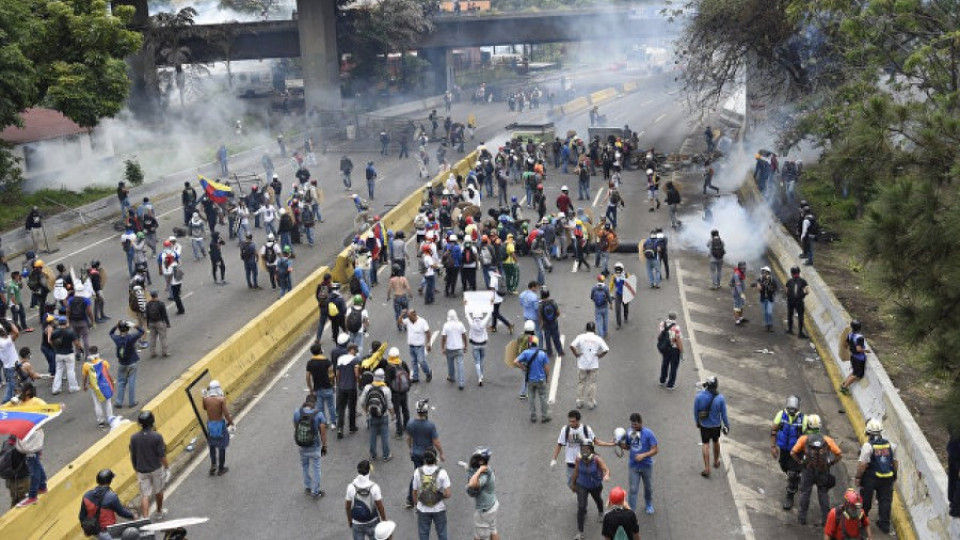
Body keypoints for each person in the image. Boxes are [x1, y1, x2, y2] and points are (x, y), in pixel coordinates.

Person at [791, 414, 843, 526]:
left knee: (805, 493)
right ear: (819, 426)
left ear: (808, 426)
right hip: (823, 470)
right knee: (823, 494)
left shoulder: (804, 439)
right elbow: (839, 454)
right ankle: (826, 520)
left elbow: (793, 452)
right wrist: (831, 463)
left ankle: (802, 518)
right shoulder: (827, 439)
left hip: (808, 470)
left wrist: (800, 462)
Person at [856, 419, 897, 533]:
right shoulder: (891, 445)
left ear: (868, 432)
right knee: (885, 501)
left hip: (871, 477)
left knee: (866, 499)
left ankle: (862, 522)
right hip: (887, 477)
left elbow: (862, 464)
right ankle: (884, 526)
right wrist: (895, 475)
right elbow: (895, 462)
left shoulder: (868, 446)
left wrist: (858, 477)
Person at [129, 411, 169, 520]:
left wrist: (136, 469)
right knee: (158, 491)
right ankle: (159, 511)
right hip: (156, 468)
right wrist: (167, 467)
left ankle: (145, 518)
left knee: (145, 495)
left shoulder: (134, 438)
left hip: (141, 470)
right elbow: (162, 455)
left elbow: (133, 456)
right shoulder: (157, 436)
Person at [405, 398, 446, 508]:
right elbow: (436, 442)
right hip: (428, 455)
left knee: (416, 475)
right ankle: (431, 497)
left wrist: (410, 449)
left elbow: (408, 438)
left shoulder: (410, 423)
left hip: (416, 454)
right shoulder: (430, 425)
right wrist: (441, 453)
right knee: (432, 475)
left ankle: (410, 499)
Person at [770, 395, 807, 509]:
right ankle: (796, 478)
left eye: (794, 409)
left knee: (792, 474)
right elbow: (774, 430)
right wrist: (773, 446)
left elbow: (808, 437)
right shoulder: (781, 415)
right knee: (784, 467)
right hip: (784, 450)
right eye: (790, 408)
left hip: (796, 451)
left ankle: (789, 496)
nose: (792, 411)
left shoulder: (804, 419)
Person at [569, 439, 610, 540]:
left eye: (586, 449)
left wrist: (606, 475)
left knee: (598, 499)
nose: (584, 451)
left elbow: (606, 469)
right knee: (581, 506)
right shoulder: (578, 459)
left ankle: (601, 512)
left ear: (591, 450)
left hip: (595, 485)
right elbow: (576, 472)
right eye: (582, 449)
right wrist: (573, 484)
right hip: (581, 484)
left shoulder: (597, 459)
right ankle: (580, 532)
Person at [78, 469, 135, 540]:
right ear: (109, 481)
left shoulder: (87, 495)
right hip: (107, 531)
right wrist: (132, 516)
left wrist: (86, 529)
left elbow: (81, 516)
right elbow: (121, 512)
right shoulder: (111, 497)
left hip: (94, 530)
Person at [412, 447, 452, 540]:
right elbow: (448, 494)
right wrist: (438, 496)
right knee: (442, 534)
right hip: (439, 508)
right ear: (435, 459)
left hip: (423, 508)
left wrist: (416, 505)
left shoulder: (418, 472)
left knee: (423, 535)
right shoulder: (442, 472)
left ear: (424, 459)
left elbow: (414, 492)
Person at [694, 376, 729, 478]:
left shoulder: (699, 396)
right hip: (716, 425)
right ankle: (716, 461)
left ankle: (707, 468)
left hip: (704, 425)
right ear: (716, 386)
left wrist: (697, 422)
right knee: (716, 441)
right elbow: (724, 415)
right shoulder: (720, 398)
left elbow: (696, 412)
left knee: (705, 444)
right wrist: (727, 425)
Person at [293, 394, 328, 497]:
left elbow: (296, 426)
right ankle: (316, 491)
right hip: (314, 445)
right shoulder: (319, 414)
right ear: (315, 403)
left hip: (302, 445)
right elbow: (323, 432)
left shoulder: (297, 412)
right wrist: (324, 446)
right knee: (316, 468)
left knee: (305, 466)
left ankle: (307, 487)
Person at [551, 410, 596, 486]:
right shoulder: (565, 430)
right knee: (571, 484)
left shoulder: (586, 429)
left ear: (578, 420)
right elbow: (559, 444)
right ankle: (580, 494)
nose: (571, 423)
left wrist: (611, 444)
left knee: (585, 484)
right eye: (569, 421)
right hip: (571, 464)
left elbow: (596, 441)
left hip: (583, 462)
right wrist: (554, 459)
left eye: (573, 421)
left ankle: (582, 494)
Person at [569, 323, 609, 410]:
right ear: (594, 329)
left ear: (585, 329)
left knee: (581, 383)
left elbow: (572, 345)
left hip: (582, 364)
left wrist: (576, 354)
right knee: (592, 384)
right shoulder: (598, 339)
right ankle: (591, 403)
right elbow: (606, 349)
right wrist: (599, 356)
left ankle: (579, 402)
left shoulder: (580, 337)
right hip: (593, 364)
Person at [346, 459, 387, 539]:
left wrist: (350, 520)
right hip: (372, 521)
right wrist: (384, 521)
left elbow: (347, 507)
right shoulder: (374, 487)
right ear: (369, 471)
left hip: (357, 523)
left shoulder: (351, 487)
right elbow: (380, 507)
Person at [514, 338, 551, 423]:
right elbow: (547, 368)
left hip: (530, 380)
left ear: (529, 345)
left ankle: (533, 416)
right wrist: (547, 377)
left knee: (531, 397)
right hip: (541, 379)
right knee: (543, 398)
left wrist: (523, 368)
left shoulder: (526, 353)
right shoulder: (542, 354)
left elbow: (515, 361)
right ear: (537, 344)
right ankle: (544, 416)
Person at [361, 368, 394, 462]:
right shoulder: (386, 389)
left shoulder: (368, 388)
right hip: (383, 415)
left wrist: (367, 411)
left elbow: (362, 402)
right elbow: (390, 405)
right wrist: (393, 416)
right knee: (384, 435)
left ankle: (373, 454)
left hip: (371, 416)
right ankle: (386, 455)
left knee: (372, 435)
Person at [466, 447, 499, 540]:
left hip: (485, 510)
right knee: (493, 529)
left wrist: (479, 471)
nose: (473, 461)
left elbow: (472, 484)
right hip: (492, 505)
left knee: (481, 537)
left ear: (481, 461)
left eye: (475, 459)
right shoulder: (487, 468)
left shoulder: (483, 474)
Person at [202, 380, 234, 476]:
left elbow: (204, 408)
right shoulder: (221, 400)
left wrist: (203, 396)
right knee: (221, 447)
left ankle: (213, 464)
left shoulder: (205, 399)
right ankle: (221, 469)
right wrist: (231, 422)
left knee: (212, 445)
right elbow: (226, 413)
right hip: (220, 425)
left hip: (210, 425)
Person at [110, 321, 144, 409]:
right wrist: (135, 326)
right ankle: (132, 401)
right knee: (131, 382)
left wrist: (116, 326)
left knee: (121, 382)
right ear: (128, 329)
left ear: (119, 329)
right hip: (132, 362)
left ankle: (118, 402)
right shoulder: (130, 338)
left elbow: (110, 333)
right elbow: (142, 332)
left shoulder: (117, 339)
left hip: (122, 363)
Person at [81, 347, 115, 429]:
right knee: (107, 402)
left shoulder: (86, 365)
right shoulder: (104, 362)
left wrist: (84, 385)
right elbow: (107, 374)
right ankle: (110, 418)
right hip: (104, 385)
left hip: (94, 387)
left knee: (97, 404)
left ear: (89, 353)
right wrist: (112, 382)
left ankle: (101, 421)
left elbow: (85, 377)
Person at [306, 342, 336, 429]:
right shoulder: (326, 361)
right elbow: (331, 375)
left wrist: (310, 388)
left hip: (317, 388)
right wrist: (333, 384)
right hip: (327, 387)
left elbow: (307, 377)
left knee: (320, 407)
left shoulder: (310, 363)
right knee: (331, 406)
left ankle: (323, 422)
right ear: (320, 351)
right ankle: (333, 422)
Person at [49, 316, 80, 395]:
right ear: (66, 323)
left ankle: (55, 389)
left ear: (59, 323)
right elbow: (76, 342)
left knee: (58, 371)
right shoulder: (70, 332)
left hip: (59, 354)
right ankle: (73, 387)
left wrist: (55, 348)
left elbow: (51, 342)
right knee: (70, 371)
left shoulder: (54, 332)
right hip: (69, 353)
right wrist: (80, 348)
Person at [399, 310, 433, 383]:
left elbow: (428, 333)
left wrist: (428, 344)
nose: (408, 318)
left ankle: (428, 373)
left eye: (409, 316)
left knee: (421, 361)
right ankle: (415, 377)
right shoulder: (408, 321)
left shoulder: (422, 322)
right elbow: (400, 322)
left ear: (414, 315)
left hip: (420, 346)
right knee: (414, 362)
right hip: (411, 346)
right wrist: (401, 315)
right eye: (408, 316)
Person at [336, 342, 361, 439]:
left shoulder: (341, 359)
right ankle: (352, 427)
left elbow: (337, 373)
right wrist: (358, 381)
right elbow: (356, 374)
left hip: (342, 387)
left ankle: (340, 428)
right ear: (352, 350)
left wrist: (339, 383)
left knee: (341, 408)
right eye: (355, 350)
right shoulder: (355, 360)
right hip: (351, 387)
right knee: (352, 407)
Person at [840, 319, 870, 395]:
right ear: (860, 328)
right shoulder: (860, 337)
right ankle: (844, 388)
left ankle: (843, 383)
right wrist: (866, 350)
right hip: (859, 359)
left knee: (854, 372)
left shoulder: (850, 335)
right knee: (857, 375)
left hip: (853, 356)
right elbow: (859, 349)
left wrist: (851, 347)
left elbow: (845, 345)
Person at [440, 310, 467, 390]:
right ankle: (461, 383)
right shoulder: (460, 324)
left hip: (450, 348)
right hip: (459, 348)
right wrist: (465, 346)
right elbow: (464, 336)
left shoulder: (446, 325)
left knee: (450, 364)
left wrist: (442, 348)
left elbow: (443, 338)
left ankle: (451, 377)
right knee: (460, 365)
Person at [657, 313, 684, 389]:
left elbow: (660, 335)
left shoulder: (662, 324)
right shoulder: (676, 328)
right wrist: (681, 351)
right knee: (673, 367)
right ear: (675, 318)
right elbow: (678, 340)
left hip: (665, 348)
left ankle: (662, 380)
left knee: (665, 364)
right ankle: (670, 385)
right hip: (674, 349)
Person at [3, 431, 29, 508]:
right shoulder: (20, 446)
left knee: (15, 500)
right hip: (21, 481)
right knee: (22, 502)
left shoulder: (6, 443)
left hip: (10, 481)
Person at [466, 309, 492, 387]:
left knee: (477, 361)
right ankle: (481, 374)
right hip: (483, 344)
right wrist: (490, 307)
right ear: (480, 316)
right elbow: (488, 315)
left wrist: (466, 306)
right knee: (481, 360)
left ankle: (479, 377)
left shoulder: (472, 324)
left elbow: (467, 316)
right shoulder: (483, 323)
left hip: (475, 344)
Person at [538, 288, 564, 358]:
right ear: (548, 294)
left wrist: (541, 324)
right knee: (556, 337)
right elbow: (558, 312)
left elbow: (540, 316)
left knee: (547, 339)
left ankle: (549, 353)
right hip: (554, 322)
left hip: (546, 324)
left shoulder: (540, 304)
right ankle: (560, 351)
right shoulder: (553, 302)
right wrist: (555, 317)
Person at [144, 290, 170, 358]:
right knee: (163, 338)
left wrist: (147, 325)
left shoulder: (148, 304)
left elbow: (146, 315)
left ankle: (152, 353)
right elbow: (164, 314)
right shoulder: (160, 303)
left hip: (151, 323)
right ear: (156, 295)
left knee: (152, 338)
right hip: (159, 322)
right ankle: (165, 352)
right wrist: (167, 323)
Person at [785, 266, 809, 338]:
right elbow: (807, 291)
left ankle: (790, 329)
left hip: (791, 301)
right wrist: (802, 295)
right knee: (800, 316)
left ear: (791, 273)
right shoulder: (803, 281)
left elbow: (786, 291)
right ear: (799, 272)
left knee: (790, 315)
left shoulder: (789, 281)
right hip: (799, 301)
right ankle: (800, 333)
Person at [609, 263, 632, 330]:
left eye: (619, 272)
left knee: (626, 307)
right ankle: (618, 324)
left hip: (626, 294)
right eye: (617, 272)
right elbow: (611, 285)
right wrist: (610, 293)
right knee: (617, 309)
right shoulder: (614, 276)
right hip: (618, 294)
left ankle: (625, 317)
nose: (618, 273)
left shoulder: (626, 275)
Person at [755, 266, 778, 332]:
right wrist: (758, 285)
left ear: (768, 273)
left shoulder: (772, 280)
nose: (763, 273)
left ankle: (770, 324)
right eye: (763, 272)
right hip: (763, 298)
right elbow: (756, 283)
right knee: (765, 312)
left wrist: (770, 288)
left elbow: (776, 288)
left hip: (770, 298)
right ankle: (766, 324)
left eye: (765, 272)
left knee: (769, 312)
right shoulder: (761, 279)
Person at [731, 261, 748, 326]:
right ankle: (737, 321)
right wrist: (741, 294)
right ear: (739, 268)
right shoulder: (736, 275)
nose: (744, 269)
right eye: (742, 268)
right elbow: (737, 285)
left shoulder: (741, 273)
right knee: (737, 307)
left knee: (741, 306)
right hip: (737, 294)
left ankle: (740, 318)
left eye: (744, 268)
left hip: (741, 293)